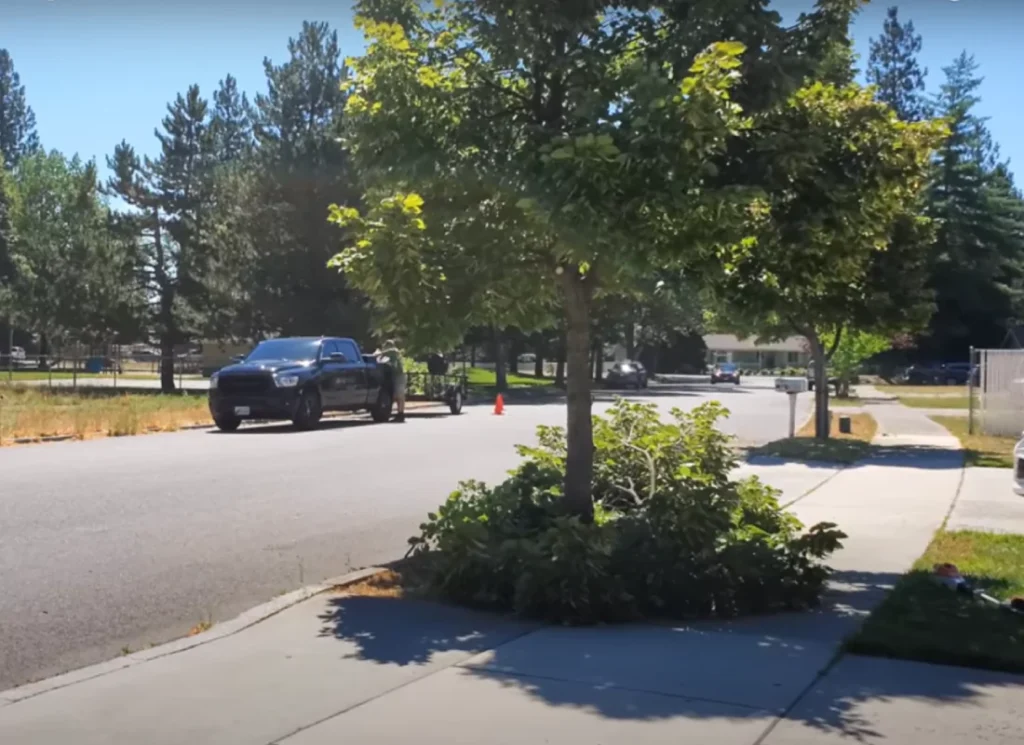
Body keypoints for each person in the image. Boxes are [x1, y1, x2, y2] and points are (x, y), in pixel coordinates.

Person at [375, 339, 406, 422]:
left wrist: (379, 353)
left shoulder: (394, 351)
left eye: (385, 347)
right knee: (397, 396)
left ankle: (401, 414)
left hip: (399, 375)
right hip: (396, 376)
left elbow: (392, 351)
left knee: (400, 396)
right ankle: (399, 414)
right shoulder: (391, 355)